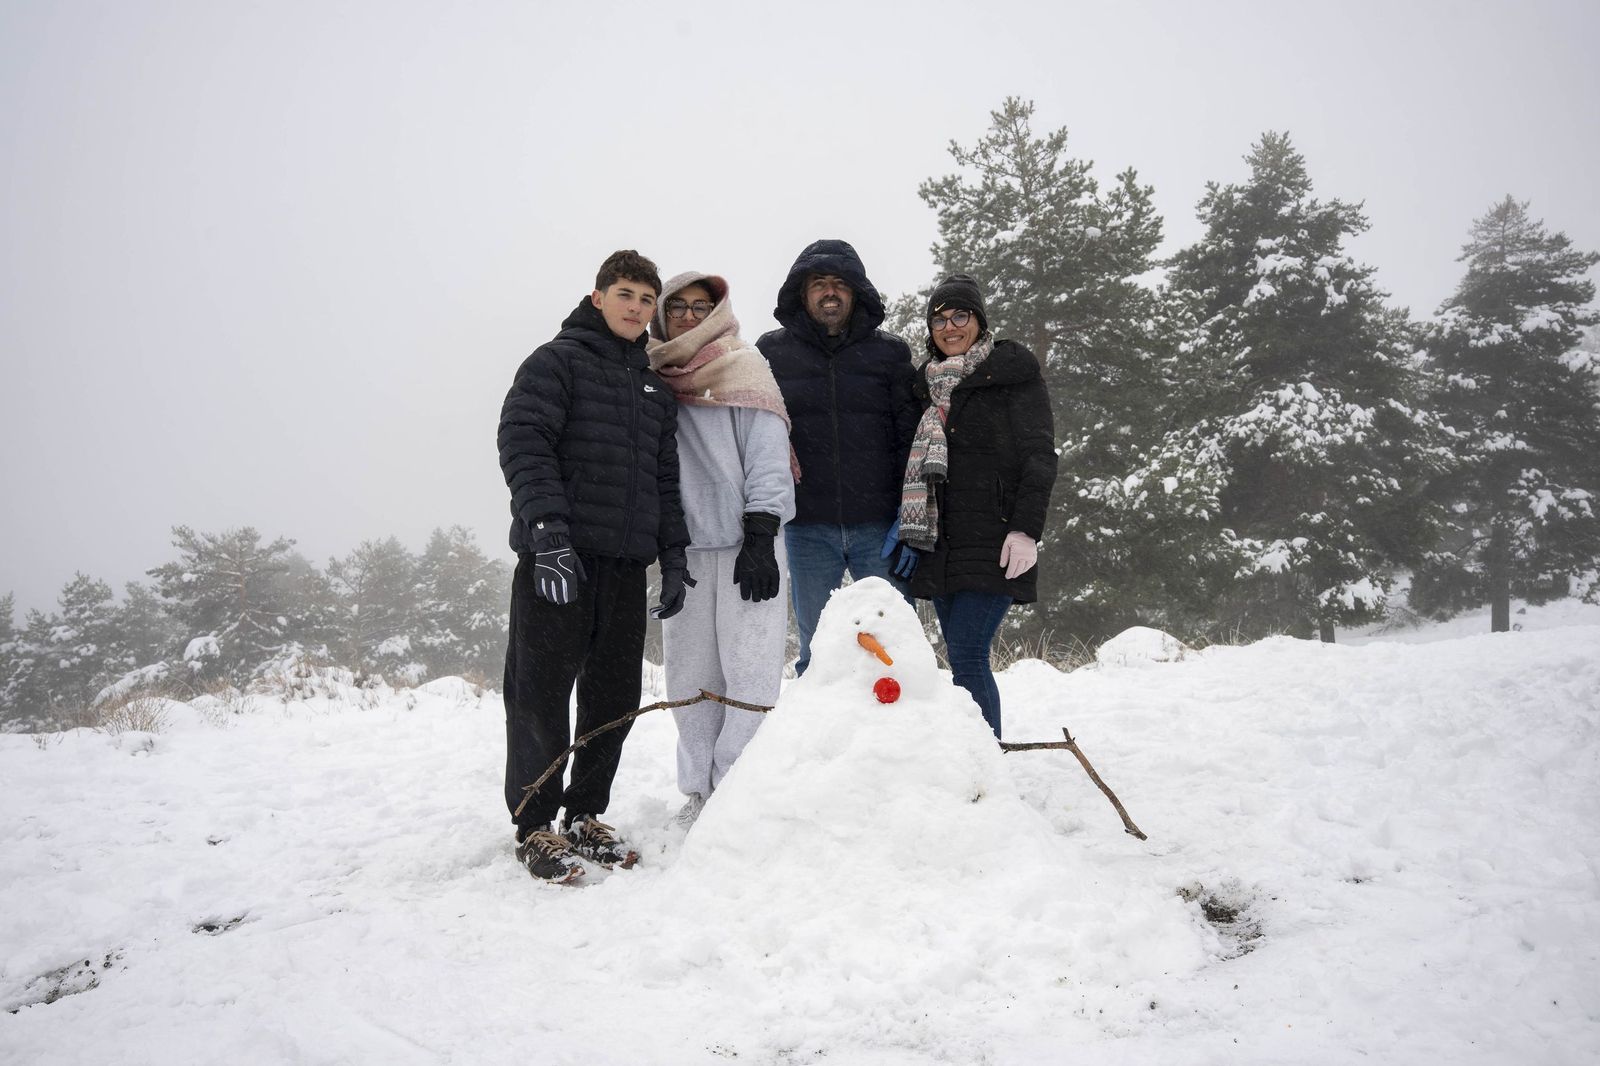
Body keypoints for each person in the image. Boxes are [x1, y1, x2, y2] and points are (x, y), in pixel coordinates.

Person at [497, 249, 693, 884]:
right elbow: (523, 441)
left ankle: (585, 813)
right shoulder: (556, 362)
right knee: (541, 694)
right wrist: (547, 532)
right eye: (626, 294)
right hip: (559, 559)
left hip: (623, 566)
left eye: (645, 300)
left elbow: (664, 477)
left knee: (613, 695)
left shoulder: (651, 388)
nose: (636, 308)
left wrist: (674, 551)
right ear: (599, 295)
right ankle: (535, 825)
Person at [647, 272, 796, 826]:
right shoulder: (649, 374)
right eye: (678, 306)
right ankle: (698, 789)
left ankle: (739, 789)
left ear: (718, 310)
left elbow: (767, 456)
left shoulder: (743, 367)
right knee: (690, 677)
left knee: (751, 671)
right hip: (683, 550)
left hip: (745, 546)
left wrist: (761, 531)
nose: (688, 315)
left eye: (700, 306)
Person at [887, 274, 1057, 740]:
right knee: (960, 660)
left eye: (960, 315)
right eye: (939, 319)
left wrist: (1026, 528)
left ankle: (987, 765)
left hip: (995, 539)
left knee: (966, 654)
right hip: (940, 540)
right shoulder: (926, 387)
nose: (950, 326)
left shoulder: (1011, 376)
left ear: (979, 320)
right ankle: (973, 758)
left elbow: (1040, 456)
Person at [756, 239, 919, 675]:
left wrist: (908, 515)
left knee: (893, 649)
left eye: (840, 283)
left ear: (857, 291)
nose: (830, 292)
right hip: (807, 527)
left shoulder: (889, 353)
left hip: (879, 528)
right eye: (819, 284)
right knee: (817, 650)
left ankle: (900, 739)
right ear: (802, 293)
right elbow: (754, 433)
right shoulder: (771, 352)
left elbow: (910, 438)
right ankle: (820, 740)